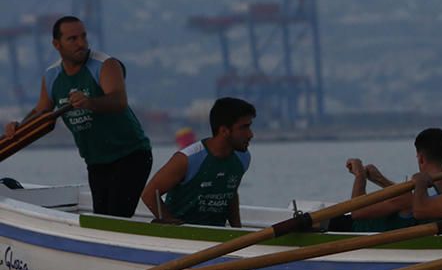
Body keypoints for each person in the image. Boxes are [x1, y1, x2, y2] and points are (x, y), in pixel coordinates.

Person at [3, 16, 152, 217]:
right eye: (72, 39)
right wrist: (19, 127)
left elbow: (119, 100)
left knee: (114, 218)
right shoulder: (52, 76)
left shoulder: (105, 64)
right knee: (102, 218)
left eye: (83, 37)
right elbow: (42, 112)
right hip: (96, 161)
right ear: (57, 44)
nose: (81, 43)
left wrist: (90, 102)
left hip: (130, 155)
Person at [141, 97, 254, 227]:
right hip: (183, 232)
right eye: (244, 128)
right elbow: (149, 194)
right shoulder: (187, 159)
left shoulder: (243, 158)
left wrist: (237, 230)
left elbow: (231, 194)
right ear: (224, 131)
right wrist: (172, 224)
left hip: (216, 232)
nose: (250, 134)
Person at [335, 128, 442, 232]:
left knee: (323, 221)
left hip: (351, 229)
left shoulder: (413, 197)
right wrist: (380, 180)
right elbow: (404, 201)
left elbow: (356, 212)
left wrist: (360, 176)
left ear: (421, 159)